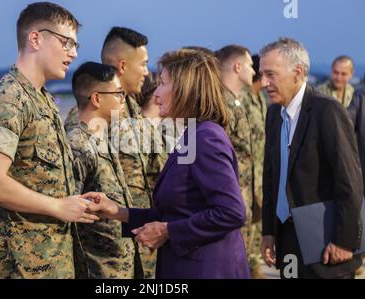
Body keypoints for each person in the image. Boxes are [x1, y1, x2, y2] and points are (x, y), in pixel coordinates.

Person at [82, 48, 250, 279]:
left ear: (185, 89)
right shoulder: (192, 134)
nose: (156, 93)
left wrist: (168, 231)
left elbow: (231, 212)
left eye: (162, 83)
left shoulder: (206, 138)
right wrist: (118, 211)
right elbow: (178, 211)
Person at [0, 2, 99, 279]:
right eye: (66, 42)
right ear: (36, 38)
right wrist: (57, 206)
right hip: (22, 264)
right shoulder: (8, 99)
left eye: (75, 45)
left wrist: (75, 200)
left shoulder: (43, 100)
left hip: (53, 258)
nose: (74, 53)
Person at [65, 26, 166, 278]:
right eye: (142, 64)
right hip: (103, 258)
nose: (146, 71)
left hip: (142, 250)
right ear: (122, 65)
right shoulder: (83, 121)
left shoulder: (135, 112)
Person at [260, 38, 363, 279]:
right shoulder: (274, 113)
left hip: (325, 242)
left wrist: (344, 241)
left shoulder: (327, 111)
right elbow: (271, 176)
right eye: (262, 74)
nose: (264, 83)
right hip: (286, 238)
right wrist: (269, 231)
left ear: (297, 73)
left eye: (271, 75)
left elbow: (349, 181)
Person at [66, 61, 143, 278]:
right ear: (97, 98)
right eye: (118, 93)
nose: (123, 99)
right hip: (97, 269)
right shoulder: (77, 144)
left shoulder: (101, 137)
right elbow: (71, 214)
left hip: (120, 265)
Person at [215, 45, 256, 276]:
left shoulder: (237, 101)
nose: (254, 70)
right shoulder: (221, 104)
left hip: (242, 198)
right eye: (250, 65)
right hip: (229, 200)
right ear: (237, 66)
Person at [239, 54, 268, 278]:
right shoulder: (244, 99)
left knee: (256, 231)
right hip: (245, 180)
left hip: (259, 178)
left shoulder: (261, 99)